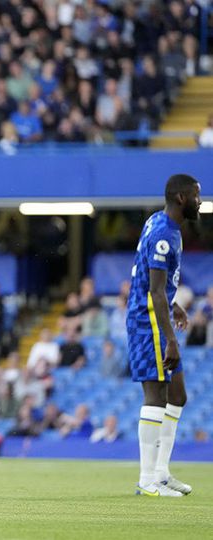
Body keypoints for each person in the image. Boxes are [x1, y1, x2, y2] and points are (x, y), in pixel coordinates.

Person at [128, 174, 201, 497]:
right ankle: (147, 480)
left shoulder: (161, 223)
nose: (201, 201)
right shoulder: (163, 233)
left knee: (178, 395)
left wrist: (174, 304)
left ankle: (161, 472)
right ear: (182, 198)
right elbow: (154, 292)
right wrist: (170, 337)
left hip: (158, 312)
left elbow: (155, 282)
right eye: (197, 196)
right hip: (147, 320)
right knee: (156, 394)